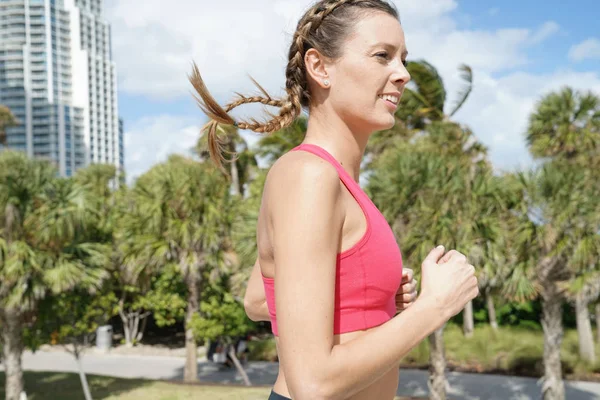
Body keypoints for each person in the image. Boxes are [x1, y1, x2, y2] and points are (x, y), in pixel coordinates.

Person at [189, 0, 479, 399]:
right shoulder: (309, 176)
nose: (403, 74)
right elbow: (312, 383)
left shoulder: (341, 183)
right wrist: (435, 305)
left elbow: (259, 300)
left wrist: (369, 298)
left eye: (404, 59)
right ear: (320, 67)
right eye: (383, 56)